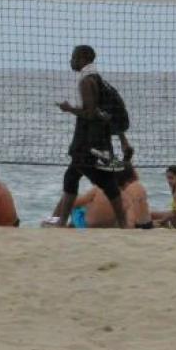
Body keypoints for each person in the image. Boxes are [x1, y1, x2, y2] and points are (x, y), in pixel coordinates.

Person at [48, 44, 129, 230]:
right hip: (97, 139)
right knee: (72, 177)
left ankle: (123, 223)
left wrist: (69, 109)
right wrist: (123, 139)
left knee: (104, 181)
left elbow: (90, 113)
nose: (71, 61)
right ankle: (61, 221)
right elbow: (104, 112)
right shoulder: (98, 79)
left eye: (74, 57)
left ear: (84, 59)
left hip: (88, 141)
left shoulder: (87, 81)